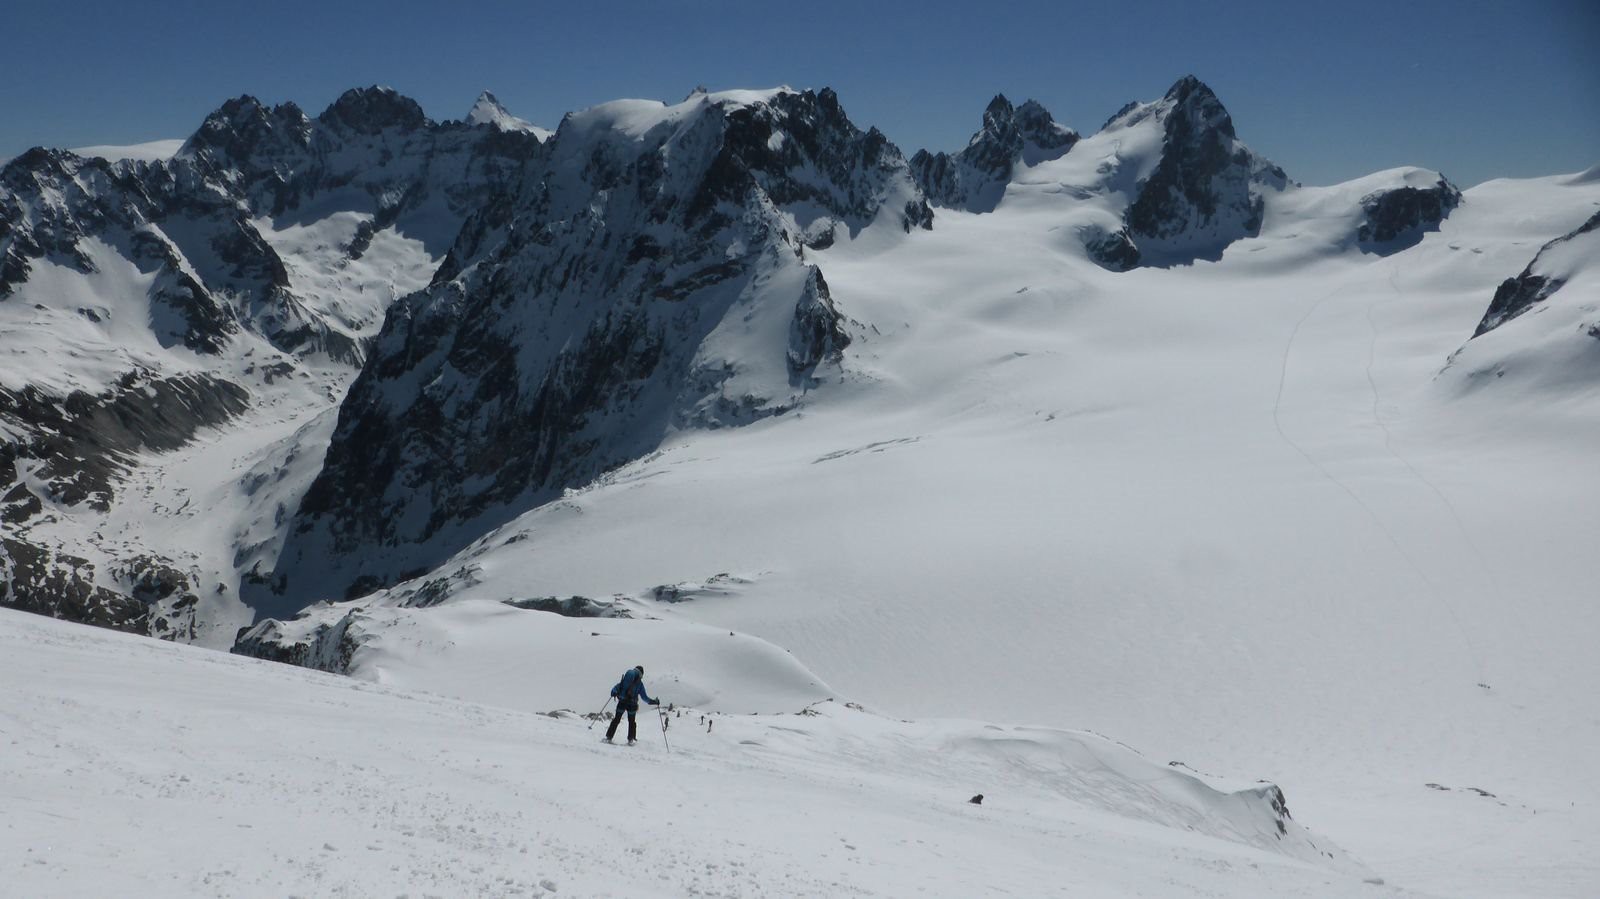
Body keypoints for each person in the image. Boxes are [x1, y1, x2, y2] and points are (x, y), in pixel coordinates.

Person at [604, 664, 659, 744]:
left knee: (616, 719)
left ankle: (609, 737)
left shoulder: (627, 677)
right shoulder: (640, 684)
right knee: (631, 722)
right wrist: (654, 702)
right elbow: (645, 698)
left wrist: (614, 692)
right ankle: (631, 740)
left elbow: (618, 687)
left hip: (622, 701)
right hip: (632, 705)